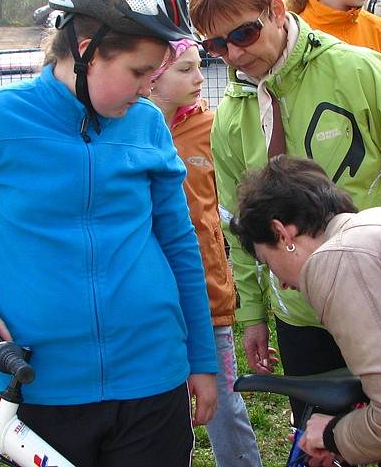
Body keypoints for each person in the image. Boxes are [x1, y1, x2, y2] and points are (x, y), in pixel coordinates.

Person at [0, 0, 219, 467]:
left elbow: (181, 246)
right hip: (45, 383)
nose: (148, 87)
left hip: (153, 374)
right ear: (87, 49)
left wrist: (202, 359)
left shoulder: (148, 124)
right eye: (138, 71)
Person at [187, 0, 381, 466]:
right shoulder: (228, 118)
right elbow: (238, 231)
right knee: (320, 448)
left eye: (242, 34)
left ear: (274, 9)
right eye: (215, 44)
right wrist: (250, 314)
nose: (233, 54)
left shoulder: (358, 71)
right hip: (303, 320)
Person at [230, 155, 381, 467]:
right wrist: (345, 439)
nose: (282, 283)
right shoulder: (379, 227)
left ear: (282, 233)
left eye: (269, 262)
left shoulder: (336, 258)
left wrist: (333, 435)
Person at [148, 40, 262, 466]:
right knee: (159, 411)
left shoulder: (210, 128)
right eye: (185, 70)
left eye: (201, 67)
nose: (200, 79)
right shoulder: (126, 129)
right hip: (149, 301)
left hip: (207, 296)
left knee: (224, 404)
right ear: (152, 76)